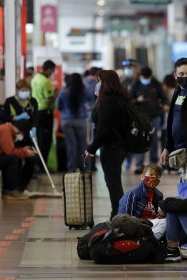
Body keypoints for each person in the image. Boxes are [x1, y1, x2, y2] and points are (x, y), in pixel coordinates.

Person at [85, 70, 129, 219]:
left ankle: (118, 214)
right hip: (119, 146)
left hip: (111, 147)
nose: (97, 84)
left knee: (113, 182)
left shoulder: (108, 102)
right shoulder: (119, 98)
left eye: (99, 81)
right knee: (113, 181)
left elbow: (103, 130)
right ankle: (118, 213)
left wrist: (91, 148)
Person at [159, 58, 187, 182]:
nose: (185, 76)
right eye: (181, 74)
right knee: (185, 184)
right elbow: (173, 120)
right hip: (180, 151)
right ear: (175, 75)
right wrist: (167, 147)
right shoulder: (178, 92)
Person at [0, 79, 38, 191]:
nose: (25, 92)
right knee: (14, 159)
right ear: (17, 90)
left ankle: (23, 184)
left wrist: (35, 127)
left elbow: (36, 116)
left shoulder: (32, 101)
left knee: (32, 158)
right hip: (13, 136)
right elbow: (2, 116)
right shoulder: (10, 101)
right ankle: (11, 185)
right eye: (22, 90)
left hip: (28, 135)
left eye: (27, 90)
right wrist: (14, 118)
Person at [131, 66, 167, 174]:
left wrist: (164, 104)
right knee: (140, 139)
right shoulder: (136, 84)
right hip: (140, 116)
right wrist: (137, 100)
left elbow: (163, 98)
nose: (145, 79)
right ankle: (139, 164)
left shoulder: (156, 84)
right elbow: (130, 99)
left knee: (153, 139)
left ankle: (153, 162)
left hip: (154, 116)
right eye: (143, 77)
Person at [118, 164, 166, 239]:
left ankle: (149, 240)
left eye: (157, 177)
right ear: (142, 177)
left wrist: (162, 213)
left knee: (170, 219)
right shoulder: (133, 194)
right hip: (137, 225)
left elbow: (158, 212)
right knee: (165, 223)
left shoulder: (158, 195)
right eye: (151, 174)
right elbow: (126, 217)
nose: (154, 178)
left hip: (151, 224)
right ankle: (148, 241)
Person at [56, 73, 92, 171]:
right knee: (83, 145)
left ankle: (71, 168)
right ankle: (85, 167)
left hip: (67, 122)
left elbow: (58, 106)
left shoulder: (63, 92)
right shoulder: (84, 91)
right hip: (81, 121)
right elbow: (92, 100)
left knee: (71, 146)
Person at [31, 60, 56, 172]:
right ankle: (41, 166)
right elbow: (50, 99)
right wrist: (56, 94)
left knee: (39, 139)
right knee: (45, 140)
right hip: (45, 112)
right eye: (53, 70)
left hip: (36, 112)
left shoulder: (35, 78)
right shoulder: (46, 81)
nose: (53, 72)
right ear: (49, 69)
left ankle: (36, 165)